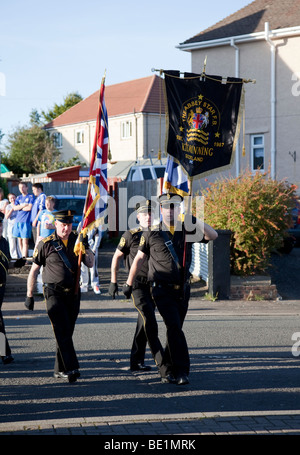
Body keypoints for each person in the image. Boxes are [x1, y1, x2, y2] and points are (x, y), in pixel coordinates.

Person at [123, 193, 218, 385]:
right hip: (161, 289)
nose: (170, 210)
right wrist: (128, 283)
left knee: (175, 330)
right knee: (174, 327)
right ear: (161, 209)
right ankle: (182, 371)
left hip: (182, 289)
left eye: (174, 206)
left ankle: (167, 367)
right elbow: (139, 259)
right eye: (167, 207)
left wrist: (194, 220)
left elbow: (213, 235)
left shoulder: (187, 230)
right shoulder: (152, 232)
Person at [25, 210, 94, 383]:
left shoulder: (77, 240)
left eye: (69, 225)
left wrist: (86, 247)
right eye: (63, 225)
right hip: (53, 293)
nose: (66, 228)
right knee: (62, 329)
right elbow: (34, 271)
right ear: (55, 224)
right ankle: (71, 367)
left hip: (73, 293)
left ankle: (59, 369)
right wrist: (29, 295)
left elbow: (90, 263)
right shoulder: (46, 244)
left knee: (66, 332)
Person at [109, 199, 169, 380]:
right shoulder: (130, 235)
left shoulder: (159, 234)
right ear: (138, 217)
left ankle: (136, 361)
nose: (148, 217)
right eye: (144, 214)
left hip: (155, 284)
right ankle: (163, 364)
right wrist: (114, 282)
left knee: (143, 322)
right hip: (137, 285)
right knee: (150, 321)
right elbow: (116, 257)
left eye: (151, 213)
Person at [0, 213, 26, 364]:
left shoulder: (3, 242)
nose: (0, 227)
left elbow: (6, 263)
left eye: (0, 225)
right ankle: (5, 353)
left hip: (1, 288)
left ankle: (4, 352)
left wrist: (17, 264)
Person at [12, 181, 33, 259]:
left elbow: (29, 208)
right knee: (19, 240)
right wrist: (23, 205)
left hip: (25, 222)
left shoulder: (30, 197)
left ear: (27, 187)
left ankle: (25, 257)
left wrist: (20, 207)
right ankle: (21, 257)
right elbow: (14, 208)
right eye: (20, 187)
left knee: (25, 241)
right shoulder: (18, 197)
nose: (21, 189)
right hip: (18, 221)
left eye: (23, 187)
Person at [80, 227, 101, 295]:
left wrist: (95, 247)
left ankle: (95, 284)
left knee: (93, 267)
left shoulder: (96, 224)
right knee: (83, 267)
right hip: (83, 247)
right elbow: (78, 233)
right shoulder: (82, 223)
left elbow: (98, 236)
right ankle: (84, 284)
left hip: (92, 247)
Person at [5, 193, 21, 259]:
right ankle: (14, 257)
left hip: (18, 225)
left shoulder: (19, 205)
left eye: (14, 197)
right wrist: (12, 208)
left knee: (19, 242)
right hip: (11, 226)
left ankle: (21, 256)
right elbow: (7, 216)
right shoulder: (8, 206)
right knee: (12, 242)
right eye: (11, 198)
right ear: (9, 200)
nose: (13, 199)